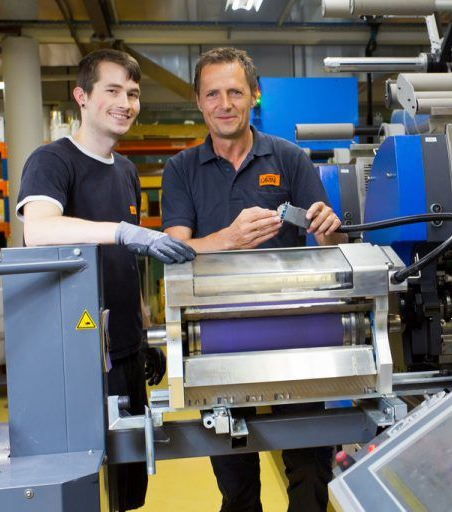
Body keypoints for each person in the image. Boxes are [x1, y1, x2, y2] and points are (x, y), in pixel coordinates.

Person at [162, 47, 347, 511]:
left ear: (253, 96)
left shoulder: (289, 158)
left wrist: (328, 226)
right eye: (213, 94)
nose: (224, 103)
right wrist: (227, 238)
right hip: (219, 337)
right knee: (235, 475)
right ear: (199, 102)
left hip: (295, 334)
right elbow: (174, 249)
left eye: (235, 92)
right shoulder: (181, 169)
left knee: (310, 467)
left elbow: (327, 243)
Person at [16, 48, 195, 511]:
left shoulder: (128, 172)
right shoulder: (52, 161)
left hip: (126, 352)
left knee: (127, 488)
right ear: (81, 96)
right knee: (88, 489)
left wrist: (141, 336)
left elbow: (126, 267)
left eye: (133, 93)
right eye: (112, 90)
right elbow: (37, 229)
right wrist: (121, 231)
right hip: (80, 357)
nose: (126, 103)